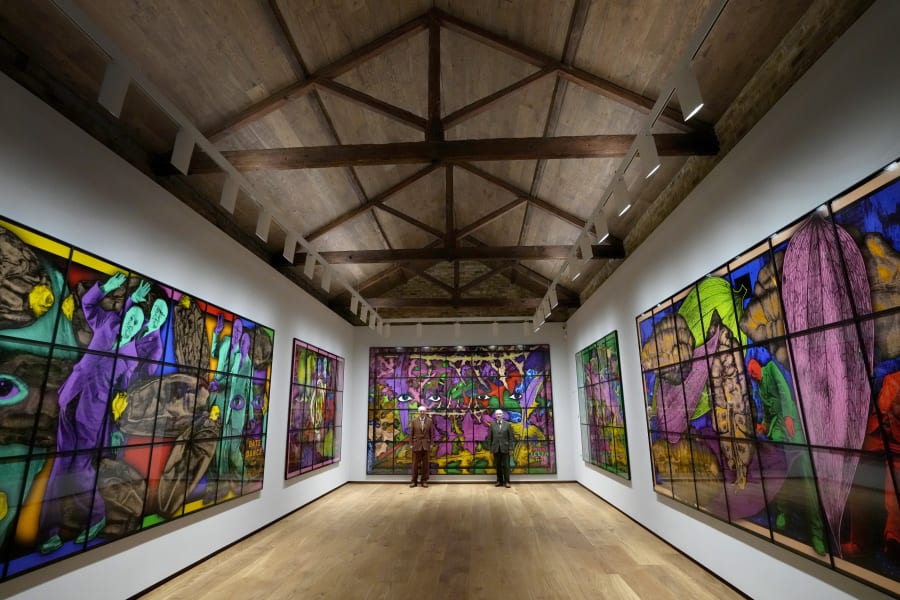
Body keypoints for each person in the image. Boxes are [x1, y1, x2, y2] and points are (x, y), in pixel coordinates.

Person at [486, 408, 515, 488]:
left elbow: (510, 438)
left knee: (506, 466)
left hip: (505, 449)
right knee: (498, 466)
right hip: (496, 449)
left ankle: (507, 482)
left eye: (500, 414)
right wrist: (490, 448)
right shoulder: (492, 425)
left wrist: (511, 449)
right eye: (497, 414)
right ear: (495, 415)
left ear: (502, 415)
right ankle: (499, 481)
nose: (498, 415)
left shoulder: (507, 425)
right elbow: (490, 438)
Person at [409, 405, 434, 488]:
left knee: (425, 465)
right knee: (415, 464)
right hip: (416, 445)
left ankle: (424, 481)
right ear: (418, 412)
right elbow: (411, 434)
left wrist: (431, 444)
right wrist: (411, 444)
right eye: (420, 411)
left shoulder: (430, 421)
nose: (422, 412)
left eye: (423, 411)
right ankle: (414, 481)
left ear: (425, 412)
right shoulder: (414, 421)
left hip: (426, 445)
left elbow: (431, 434)